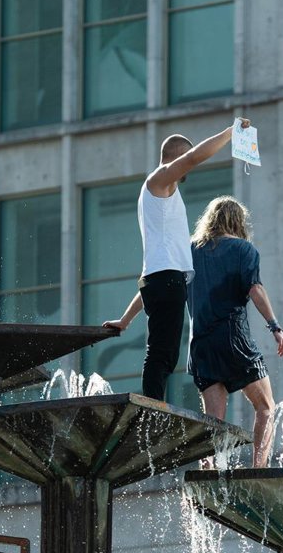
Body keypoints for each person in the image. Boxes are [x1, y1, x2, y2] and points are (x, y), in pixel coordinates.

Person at [102, 118, 250, 402]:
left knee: (163, 351)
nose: (188, 171)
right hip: (167, 282)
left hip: (162, 281)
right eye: (184, 161)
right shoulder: (159, 180)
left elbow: (152, 276)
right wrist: (230, 132)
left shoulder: (159, 201)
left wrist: (125, 320)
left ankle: (153, 405)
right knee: (162, 354)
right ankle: (152, 409)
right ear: (176, 157)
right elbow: (194, 157)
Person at [186, 197, 283, 468]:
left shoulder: (190, 250)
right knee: (266, 406)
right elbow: (255, 288)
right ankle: (258, 469)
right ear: (238, 221)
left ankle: (208, 467)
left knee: (213, 419)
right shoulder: (244, 249)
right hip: (233, 339)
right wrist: (275, 327)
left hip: (200, 344)